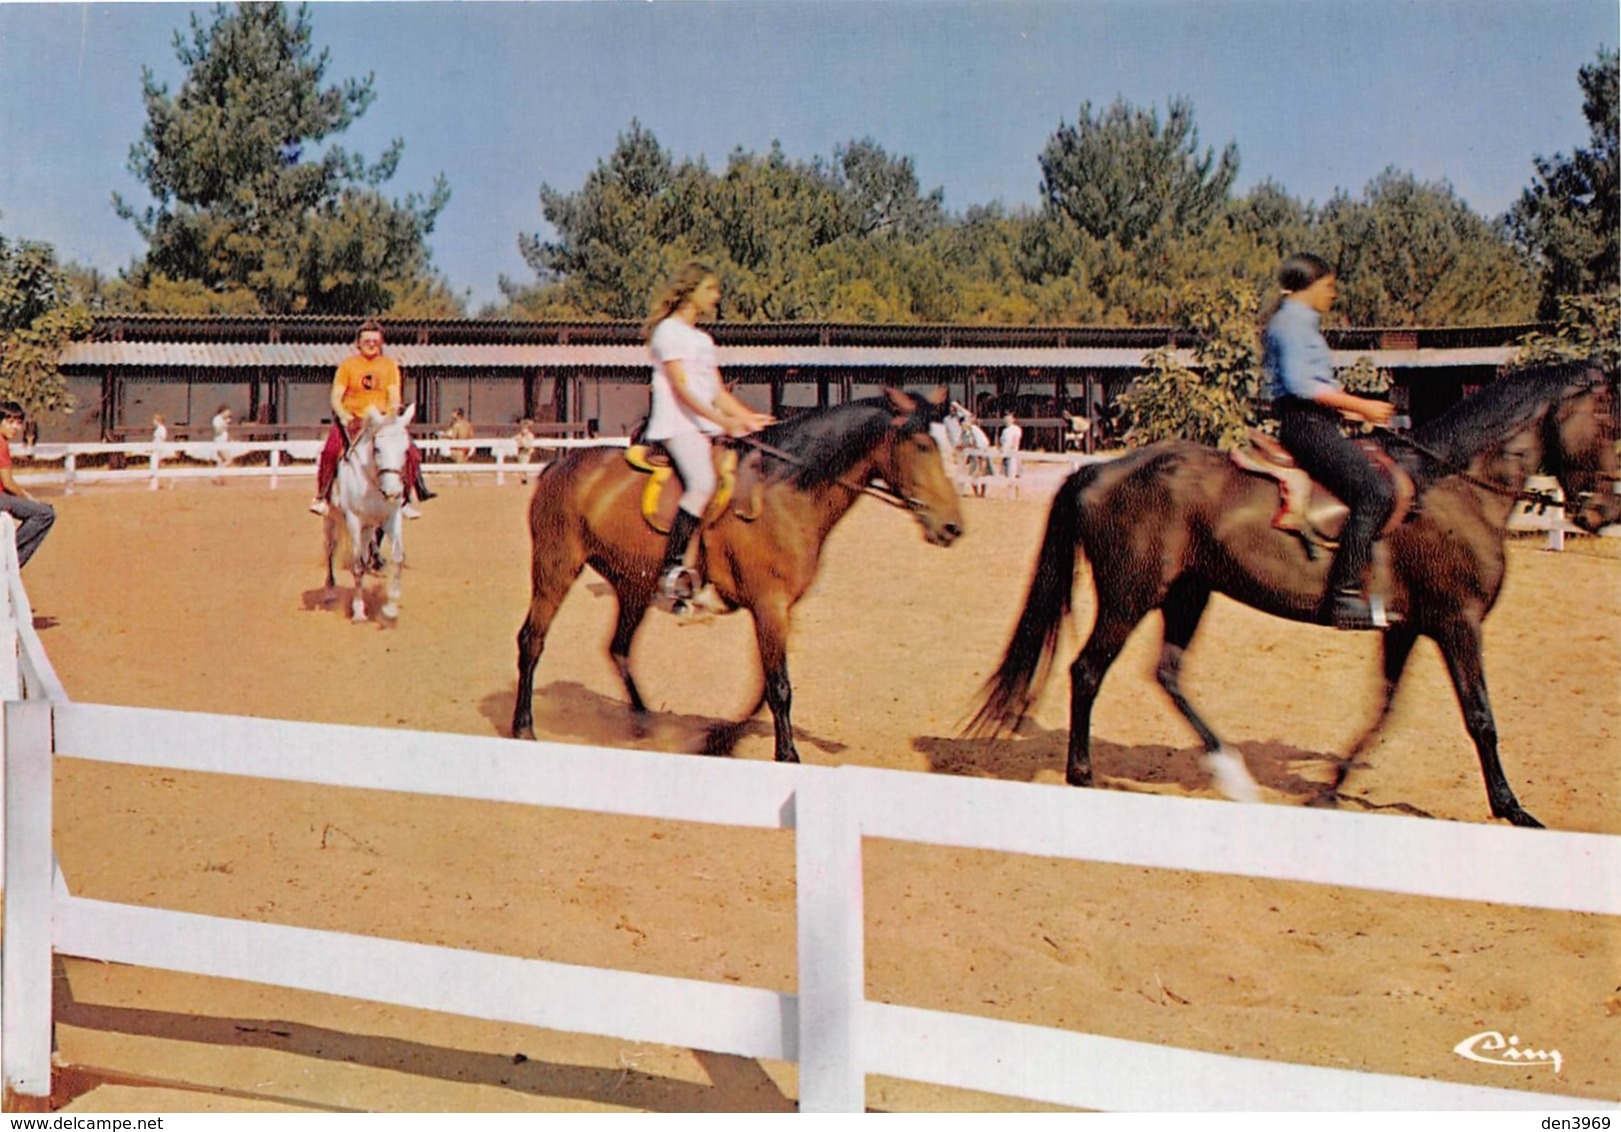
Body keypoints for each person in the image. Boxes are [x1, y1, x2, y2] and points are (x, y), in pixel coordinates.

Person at [1261, 253, 1397, 631]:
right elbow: (1303, 385)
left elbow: (1317, 382)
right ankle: (1345, 596)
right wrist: (1361, 405)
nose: (1333, 295)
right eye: (1328, 287)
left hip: (1316, 420)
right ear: (1310, 287)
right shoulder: (1291, 324)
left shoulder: (1298, 322)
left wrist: (1348, 408)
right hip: (1306, 425)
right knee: (1375, 493)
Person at [644, 261, 773, 605]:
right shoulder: (668, 333)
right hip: (677, 424)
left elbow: (717, 392)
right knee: (703, 483)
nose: (717, 296)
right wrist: (723, 420)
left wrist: (749, 418)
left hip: (705, 424)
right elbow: (682, 390)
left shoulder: (703, 340)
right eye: (711, 289)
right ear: (691, 291)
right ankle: (669, 571)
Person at [309, 320, 434, 519]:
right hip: (353, 420)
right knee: (331, 450)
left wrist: (392, 413)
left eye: (376, 340)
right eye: (367, 340)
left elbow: (394, 395)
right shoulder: (348, 366)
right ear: (358, 343)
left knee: (411, 452)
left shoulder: (389, 366)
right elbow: (336, 396)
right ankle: (322, 497)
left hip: (381, 422)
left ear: (382, 342)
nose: (372, 344)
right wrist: (343, 415)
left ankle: (407, 498)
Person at [0, 402, 55, 568]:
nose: (15, 427)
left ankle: (10, 561)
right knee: (45, 514)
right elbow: (8, 483)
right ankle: (7, 555)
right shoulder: (1, 445)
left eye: (18, 423)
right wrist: (30, 499)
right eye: (10, 422)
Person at [211, 404, 233, 482]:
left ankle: (217, 478)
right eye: (227, 412)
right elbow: (218, 430)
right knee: (229, 460)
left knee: (220, 461)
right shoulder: (217, 419)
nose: (228, 414)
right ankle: (216, 475)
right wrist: (225, 424)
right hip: (220, 443)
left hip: (223, 442)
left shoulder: (223, 420)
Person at [998, 411, 1023, 478]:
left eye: (1009, 419)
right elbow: (1002, 442)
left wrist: (1012, 449)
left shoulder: (1016, 429)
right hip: (1005, 454)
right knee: (1006, 474)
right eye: (1005, 419)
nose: (1007, 421)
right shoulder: (1004, 431)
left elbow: (1016, 440)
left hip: (1012, 454)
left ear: (1013, 420)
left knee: (1012, 473)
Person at [149, 412, 170, 489]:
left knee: (155, 466)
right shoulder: (158, 429)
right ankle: (154, 483)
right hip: (155, 449)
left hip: (158, 449)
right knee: (154, 466)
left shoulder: (162, 429)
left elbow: (163, 438)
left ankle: (154, 484)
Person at [513, 418, 537, 484]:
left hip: (526, 452)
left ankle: (525, 479)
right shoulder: (519, 436)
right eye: (522, 429)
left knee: (524, 464)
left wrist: (521, 441)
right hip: (520, 452)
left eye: (524, 429)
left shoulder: (530, 436)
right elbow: (513, 439)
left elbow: (527, 445)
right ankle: (523, 478)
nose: (523, 430)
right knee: (521, 464)